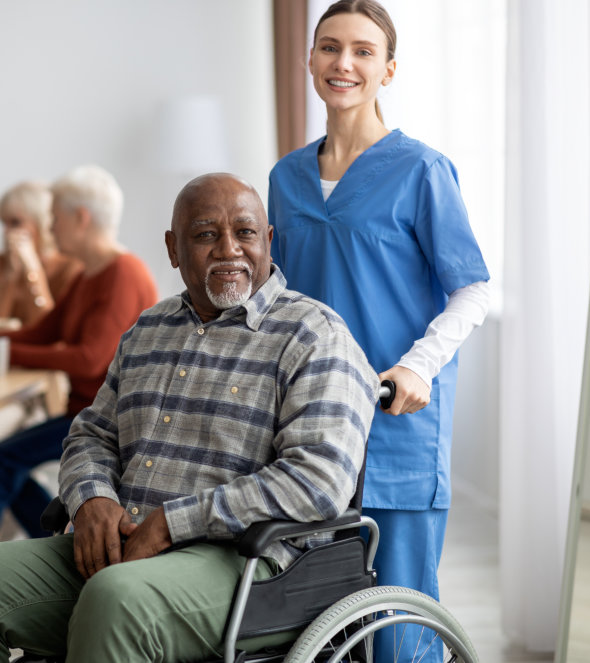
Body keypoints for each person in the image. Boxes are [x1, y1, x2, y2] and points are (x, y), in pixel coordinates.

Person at [0, 173, 378, 663]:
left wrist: (175, 523)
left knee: (116, 599)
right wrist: (91, 498)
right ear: (173, 248)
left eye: (244, 233)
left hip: (248, 563)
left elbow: (319, 480)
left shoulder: (314, 334)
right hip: (123, 546)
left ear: (268, 241)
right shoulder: (148, 330)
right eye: (204, 234)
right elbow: (91, 434)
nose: (228, 249)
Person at [268, 1, 490, 659]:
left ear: (387, 69)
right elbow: (279, 292)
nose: (344, 63)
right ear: (310, 61)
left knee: (396, 630)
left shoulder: (422, 169)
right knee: (319, 621)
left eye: (364, 51)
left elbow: (472, 288)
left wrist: (420, 363)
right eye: (330, 47)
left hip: (396, 422)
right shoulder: (285, 177)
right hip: (310, 426)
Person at [0, 164, 158, 539]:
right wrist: (8, 344)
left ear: (80, 218)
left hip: (110, 422)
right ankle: (58, 543)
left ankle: (52, 548)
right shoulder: (88, 274)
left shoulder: (123, 274)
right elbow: (43, 332)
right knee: (6, 459)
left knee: (4, 458)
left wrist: (8, 354)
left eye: (54, 218)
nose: (50, 229)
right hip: (84, 412)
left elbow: (91, 359)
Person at [0, 180, 82, 329]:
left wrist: (32, 271)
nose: (7, 232)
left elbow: (51, 330)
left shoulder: (70, 268)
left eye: (15, 222)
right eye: (4, 223)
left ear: (42, 223)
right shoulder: (2, 263)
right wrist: (8, 277)